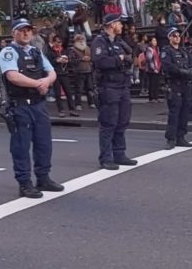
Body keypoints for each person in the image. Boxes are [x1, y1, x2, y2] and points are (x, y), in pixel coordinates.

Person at [0, 19, 65, 199]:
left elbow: (52, 72)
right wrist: (38, 84)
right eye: (22, 30)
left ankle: (43, 178)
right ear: (14, 33)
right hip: (20, 105)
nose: (26, 33)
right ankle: (24, 183)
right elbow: (12, 76)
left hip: (38, 104)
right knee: (21, 146)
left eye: (29, 30)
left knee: (44, 143)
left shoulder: (35, 51)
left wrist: (46, 82)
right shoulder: (9, 52)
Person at [91, 13, 137, 170]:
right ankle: (106, 157)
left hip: (122, 86)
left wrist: (123, 59)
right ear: (112, 25)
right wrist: (120, 59)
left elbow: (131, 56)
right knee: (108, 122)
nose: (122, 26)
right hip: (108, 87)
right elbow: (101, 62)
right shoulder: (99, 41)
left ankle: (119, 153)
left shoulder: (119, 41)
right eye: (119, 23)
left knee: (122, 121)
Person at [162, 28, 192, 150]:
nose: (177, 37)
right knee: (174, 112)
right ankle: (171, 138)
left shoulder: (184, 51)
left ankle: (181, 136)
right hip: (174, 85)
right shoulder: (167, 51)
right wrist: (182, 72)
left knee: (185, 112)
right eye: (174, 35)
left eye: (178, 35)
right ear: (169, 38)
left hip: (186, 85)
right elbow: (168, 67)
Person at [45, 35, 78, 118]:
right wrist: (56, 60)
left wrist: (67, 60)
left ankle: (72, 110)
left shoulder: (64, 51)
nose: (59, 44)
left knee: (69, 92)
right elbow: (48, 63)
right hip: (56, 74)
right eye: (57, 42)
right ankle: (61, 110)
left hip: (64, 73)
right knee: (57, 94)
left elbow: (71, 61)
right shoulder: (50, 52)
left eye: (60, 42)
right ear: (54, 42)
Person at [69, 33, 95, 110]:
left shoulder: (88, 48)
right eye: (79, 39)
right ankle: (78, 104)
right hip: (79, 71)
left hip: (88, 70)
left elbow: (93, 57)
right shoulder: (72, 49)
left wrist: (90, 59)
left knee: (90, 88)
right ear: (75, 41)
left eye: (82, 39)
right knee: (79, 89)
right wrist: (82, 59)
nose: (81, 41)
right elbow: (71, 60)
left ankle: (91, 103)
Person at [145, 36, 163, 102]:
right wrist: (154, 68)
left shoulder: (157, 49)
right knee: (152, 83)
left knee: (157, 83)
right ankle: (151, 97)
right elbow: (149, 60)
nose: (154, 42)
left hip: (158, 67)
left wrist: (159, 67)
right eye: (153, 41)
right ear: (150, 42)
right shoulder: (149, 49)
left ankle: (156, 97)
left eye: (155, 41)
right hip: (151, 69)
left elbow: (159, 58)